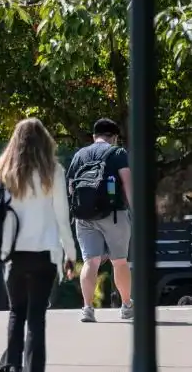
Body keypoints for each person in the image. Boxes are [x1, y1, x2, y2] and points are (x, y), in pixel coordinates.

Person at [0, 118, 76, 372]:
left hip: (13, 254)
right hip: (46, 253)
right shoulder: (54, 171)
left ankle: (12, 366)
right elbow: (62, 216)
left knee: (16, 312)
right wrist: (70, 254)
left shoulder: (2, 173)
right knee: (37, 317)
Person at [66, 118, 133, 323]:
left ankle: (87, 308)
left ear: (94, 136)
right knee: (119, 261)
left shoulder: (79, 155)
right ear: (114, 137)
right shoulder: (118, 153)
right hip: (113, 213)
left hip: (83, 216)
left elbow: (70, 187)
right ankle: (126, 306)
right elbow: (128, 183)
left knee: (90, 261)